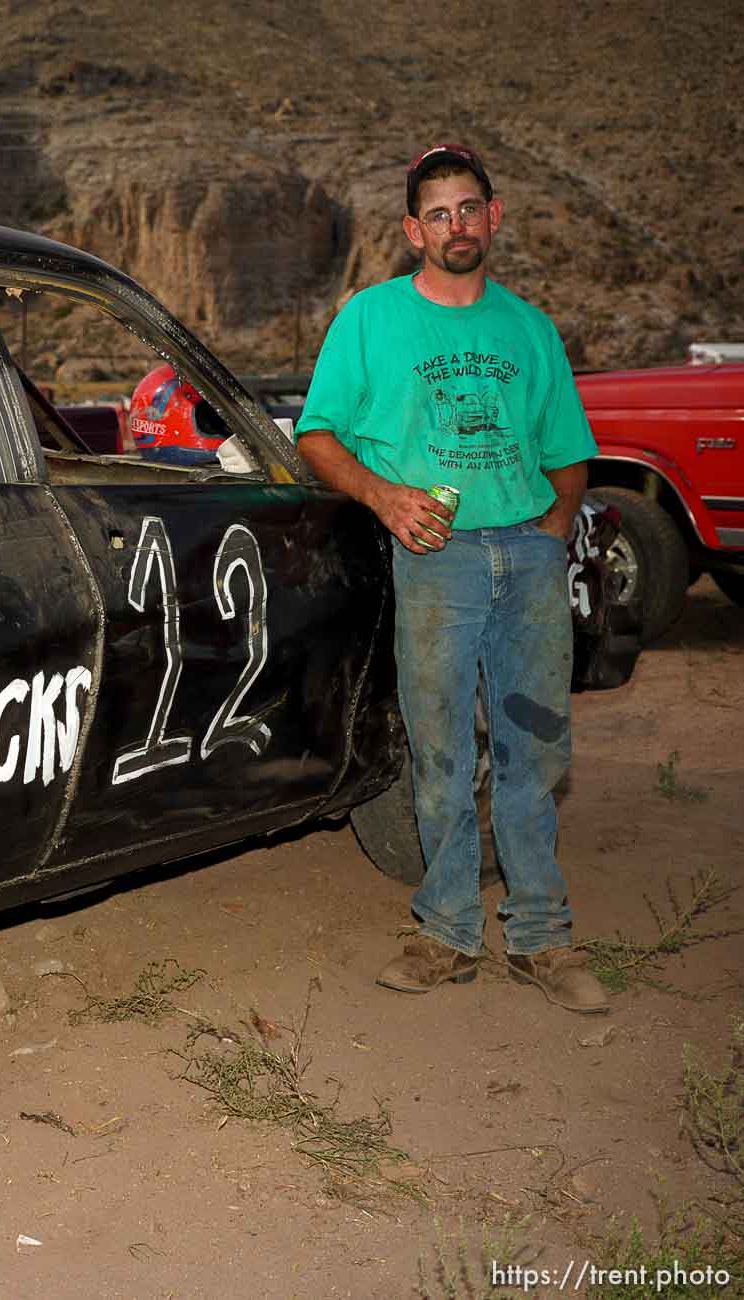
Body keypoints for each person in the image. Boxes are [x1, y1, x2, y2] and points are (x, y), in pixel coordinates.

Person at [295, 144, 608, 1014]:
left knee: (532, 749)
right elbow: (317, 437)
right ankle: (446, 932)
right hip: (437, 560)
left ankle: (542, 938)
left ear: (493, 216)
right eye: (437, 213)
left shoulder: (528, 327)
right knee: (438, 751)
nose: (455, 225)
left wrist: (551, 528)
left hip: (529, 555)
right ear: (411, 230)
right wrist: (384, 497)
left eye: (468, 208)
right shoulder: (370, 319)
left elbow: (566, 451)